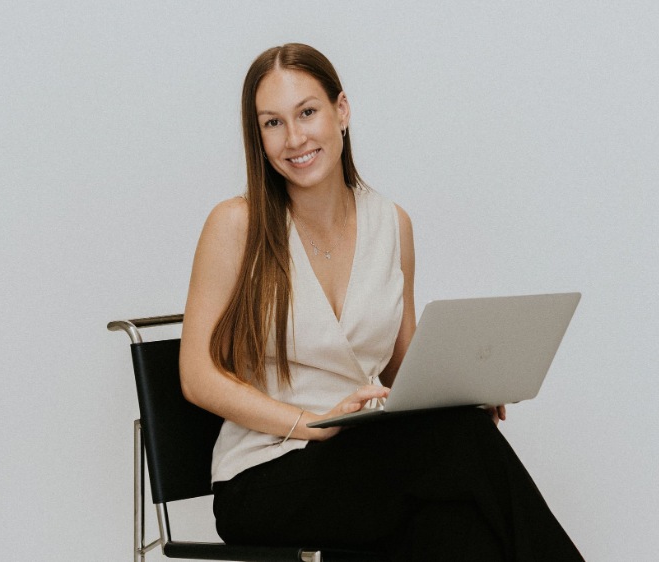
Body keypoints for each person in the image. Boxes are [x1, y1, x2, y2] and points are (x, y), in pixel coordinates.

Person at [179, 43, 585, 561]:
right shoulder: (236, 224)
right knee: (460, 443)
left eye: (307, 112)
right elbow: (196, 376)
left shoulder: (392, 225)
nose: (295, 137)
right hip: (266, 477)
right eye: (273, 123)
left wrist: (463, 390)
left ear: (341, 111)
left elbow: (401, 367)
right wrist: (309, 424)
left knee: (460, 532)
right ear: (257, 137)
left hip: (371, 469)